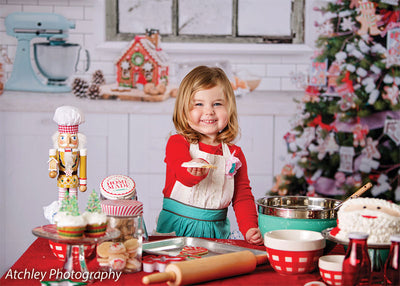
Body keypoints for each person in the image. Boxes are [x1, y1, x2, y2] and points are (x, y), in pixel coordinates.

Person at [156, 66, 263, 245]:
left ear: (229, 108)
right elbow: (180, 171)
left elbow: (242, 196)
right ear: (184, 110)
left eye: (217, 104)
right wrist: (192, 171)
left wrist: (249, 227)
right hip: (176, 228)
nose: (209, 111)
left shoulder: (235, 154)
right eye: (199, 104)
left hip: (216, 231)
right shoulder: (178, 142)